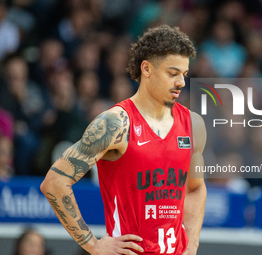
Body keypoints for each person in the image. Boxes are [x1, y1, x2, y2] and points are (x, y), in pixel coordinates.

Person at [41, 24, 207, 255]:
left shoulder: (194, 125)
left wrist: (192, 243)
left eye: (184, 74)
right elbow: (54, 183)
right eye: (172, 73)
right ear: (147, 69)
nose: (181, 82)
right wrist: (93, 244)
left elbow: (195, 188)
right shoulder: (116, 124)